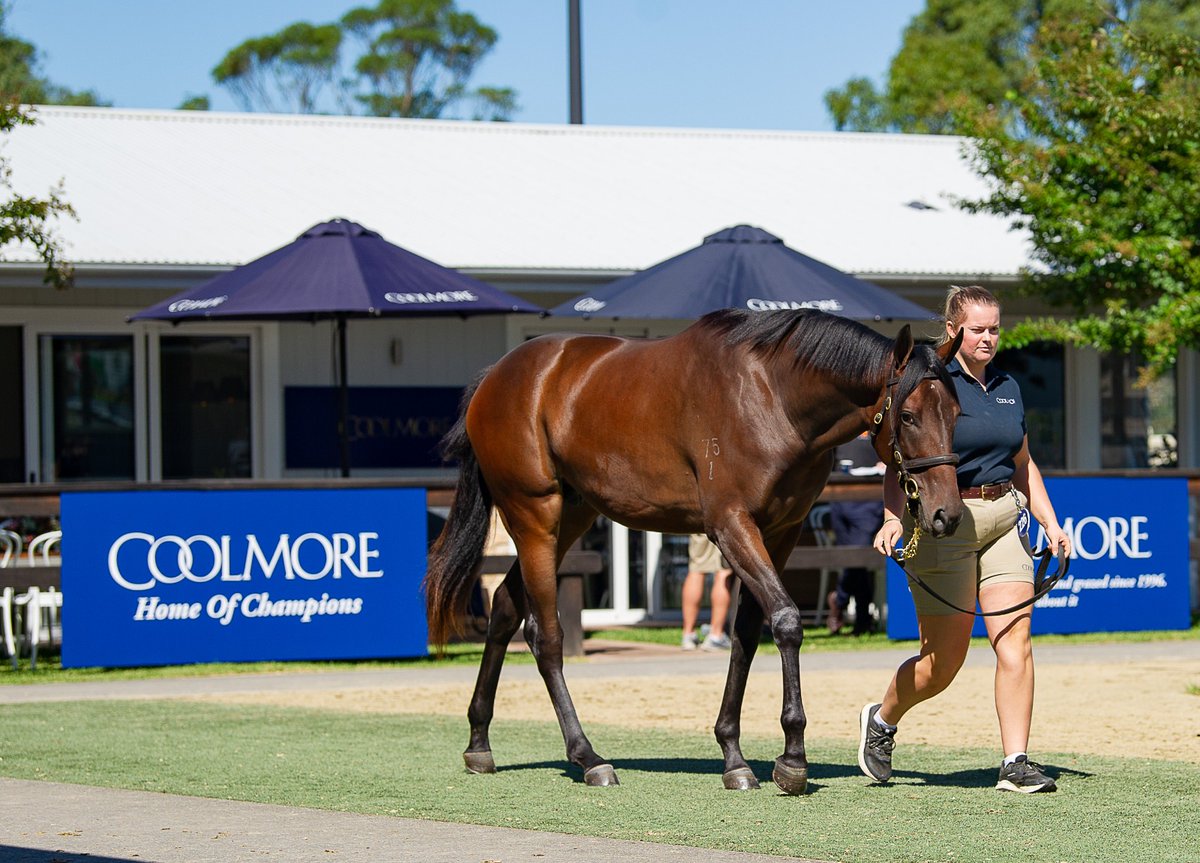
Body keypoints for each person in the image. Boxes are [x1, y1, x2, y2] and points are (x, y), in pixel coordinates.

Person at [859, 284, 1072, 794]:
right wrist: (892, 519)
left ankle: (1015, 762)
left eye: (995, 328)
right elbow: (897, 459)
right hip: (945, 522)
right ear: (954, 330)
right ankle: (883, 719)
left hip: (1003, 517)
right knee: (942, 664)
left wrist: (1049, 520)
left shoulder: (1007, 386)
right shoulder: (930, 381)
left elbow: (1022, 464)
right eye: (978, 329)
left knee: (1014, 641)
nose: (989, 338)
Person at [826, 432, 885, 635]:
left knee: (857, 556)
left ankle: (839, 599)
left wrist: (887, 463)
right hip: (840, 496)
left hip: (870, 496)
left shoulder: (877, 414)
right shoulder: (841, 417)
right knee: (850, 560)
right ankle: (862, 620)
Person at [681, 534, 733, 650]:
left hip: (698, 519)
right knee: (723, 571)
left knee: (696, 569)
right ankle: (716, 635)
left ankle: (688, 635)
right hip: (722, 519)